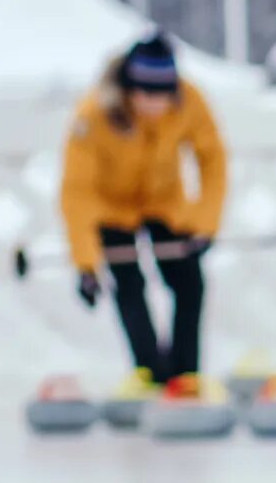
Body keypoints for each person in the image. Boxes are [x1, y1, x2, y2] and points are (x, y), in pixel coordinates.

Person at [59, 34, 226, 392]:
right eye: (146, 95)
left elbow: (213, 159)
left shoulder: (189, 101)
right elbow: (77, 192)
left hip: (165, 204)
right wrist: (86, 264)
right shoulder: (93, 115)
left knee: (189, 283)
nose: (155, 105)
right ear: (129, 89)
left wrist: (204, 224)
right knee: (129, 286)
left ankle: (184, 378)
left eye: (162, 96)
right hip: (111, 209)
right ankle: (149, 375)